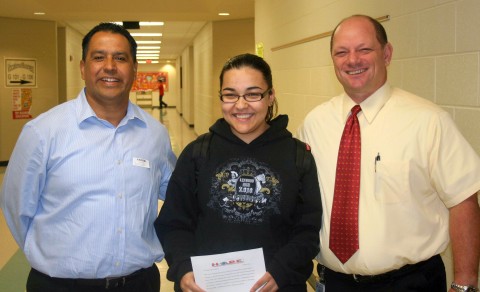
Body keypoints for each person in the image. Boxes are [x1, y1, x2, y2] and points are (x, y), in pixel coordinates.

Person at [297, 14, 480, 292]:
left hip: (411, 283)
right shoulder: (314, 124)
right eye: (342, 52)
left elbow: (463, 200)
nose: (353, 60)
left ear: (387, 53)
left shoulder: (428, 121)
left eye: (364, 49)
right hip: (335, 282)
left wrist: (465, 284)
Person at [0, 22, 176, 292]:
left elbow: (176, 196)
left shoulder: (155, 134)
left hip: (139, 284)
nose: (109, 66)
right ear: (83, 68)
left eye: (120, 58)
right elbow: (16, 207)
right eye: (98, 57)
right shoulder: (43, 132)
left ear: (134, 68)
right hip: (59, 286)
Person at [155, 53, 322, 292]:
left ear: (270, 96)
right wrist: (183, 268)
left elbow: (307, 230)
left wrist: (281, 271)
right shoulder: (198, 153)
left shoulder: (297, 156)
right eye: (230, 94)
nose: (241, 105)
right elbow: (174, 223)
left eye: (253, 94)